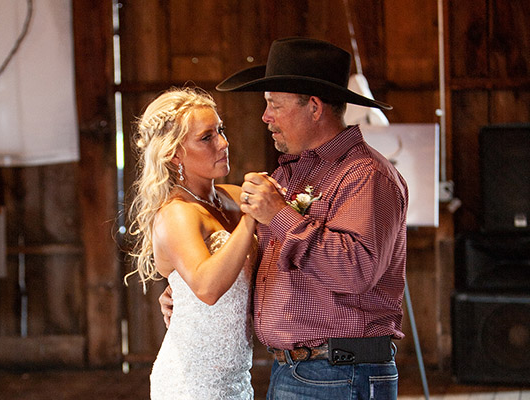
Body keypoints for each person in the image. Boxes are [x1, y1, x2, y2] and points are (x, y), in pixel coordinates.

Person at [161, 37, 409, 399]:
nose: (266, 117)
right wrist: (184, 295)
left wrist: (280, 214)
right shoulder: (290, 176)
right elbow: (264, 263)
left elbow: (356, 271)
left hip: (340, 372)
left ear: (313, 106)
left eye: (274, 105)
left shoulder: (366, 175)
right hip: (299, 371)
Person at [125, 87, 257, 399]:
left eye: (221, 130)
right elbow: (207, 288)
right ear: (174, 154)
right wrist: (253, 218)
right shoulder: (177, 213)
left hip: (238, 378)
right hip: (191, 383)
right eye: (206, 137)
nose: (223, 143)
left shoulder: (235, 197)